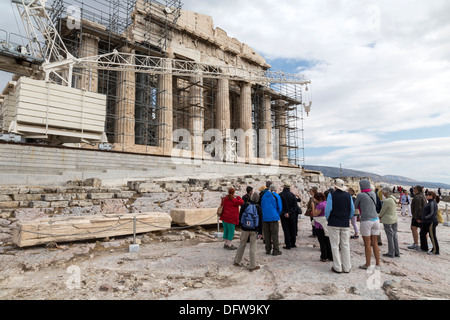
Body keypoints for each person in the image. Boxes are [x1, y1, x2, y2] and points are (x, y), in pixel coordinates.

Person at [325, 179, 355, 274]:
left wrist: (328, 218)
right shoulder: (348, 195)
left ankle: (337, 267)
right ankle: (347, 267)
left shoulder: (331, 195)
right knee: (345, 245)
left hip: (334, 222)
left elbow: (328, 209)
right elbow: (352, 210)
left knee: (335, 245)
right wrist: (348, 217)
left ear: (335, 186)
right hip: (345, 223)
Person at [355, 179, 381, 270]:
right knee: (375, 243)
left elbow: (355, 206)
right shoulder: (373, 194)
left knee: (367, 244)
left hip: (366, 220)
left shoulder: (360, 195)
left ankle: (368, 264)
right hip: (376, 220)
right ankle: (378, 263)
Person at [234, 192, 263, 271]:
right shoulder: (258, 208)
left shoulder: (244, 205)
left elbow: (240, 216)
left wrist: (242, 226)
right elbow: (260, 221)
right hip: (254, 230)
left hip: (245, 228)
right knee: (252, 247)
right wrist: (260, 232)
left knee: (242, 244)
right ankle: (252, 265)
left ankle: (237, 261)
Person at [261, 184, 283, 256]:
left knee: (267, 234)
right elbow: (280, 207)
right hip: (273, 217)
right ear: (275, 189)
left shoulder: (264, 196)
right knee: (274, 234)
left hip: (265, 217)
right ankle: (276, 250)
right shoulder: (276, 196)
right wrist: (277, 214)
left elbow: (262, 206)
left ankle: (268, 249)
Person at [279, 183, 301, 250]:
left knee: (286, 230)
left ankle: (288, 244)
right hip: (292, 215)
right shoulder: (292, 195)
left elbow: (279, 206)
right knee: (292, 229)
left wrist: (285, 213)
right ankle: (293, 243)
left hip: (283, 215)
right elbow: (295, 207)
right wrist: (289, 213)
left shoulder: (280, 195)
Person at [379, 187, 400, 258]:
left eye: (383, 193)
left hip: (388, 220)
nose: (383, 194)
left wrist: (379, 216)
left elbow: (383, 211)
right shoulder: (393, 199)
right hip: (394, 219)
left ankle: (391, 252)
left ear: (385, 193)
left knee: (390, 236)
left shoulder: (387, 200)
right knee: (395, 235)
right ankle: (397, 252)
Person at [312, 192, 332, 262]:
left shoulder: (320, 205)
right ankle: (330, 256)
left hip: (320, 225)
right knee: (327, 241)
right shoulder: (326, 203)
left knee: (322, 241)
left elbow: (315, 214)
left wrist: (313, 206)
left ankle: (324, 256)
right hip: (326, 224)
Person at [419, 191, 440, 255]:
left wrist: (425, 217)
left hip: (431, 221)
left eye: (427, 195)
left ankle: (435, 250)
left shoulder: (433, 203)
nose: (426, 196)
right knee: (422, 233)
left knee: (432, 236)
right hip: (426, 222)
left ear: (431, 196)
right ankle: (424, 247)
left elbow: (432, 213)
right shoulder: (429, 203)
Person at [408, 186, 427, 250]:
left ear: (417, 190)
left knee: (414, 228)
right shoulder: (423, 196)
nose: (413, 190)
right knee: (422, 229)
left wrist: (418, 217)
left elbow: (419, 208)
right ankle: (424, 243)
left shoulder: (417, 197)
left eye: (414, 189)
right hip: (421, 216)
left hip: (418, 216)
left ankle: (416, 244)